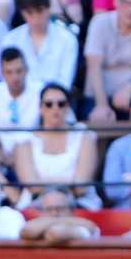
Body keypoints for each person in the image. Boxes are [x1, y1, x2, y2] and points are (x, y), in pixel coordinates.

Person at [14, 81, 100, 209]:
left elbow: (81, 187)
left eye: (61, 104)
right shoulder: (25, 139)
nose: (55, 109)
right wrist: (69, 182)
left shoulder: (84, 135)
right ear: (40, 108)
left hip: (78, 204)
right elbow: (33, 187)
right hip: (36, 205)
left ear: (68, 107)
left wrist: (44, 183)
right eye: (49, 104)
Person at [2, 0, 79, 92]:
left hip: (54, 100)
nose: (36, 18)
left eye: (40, 11)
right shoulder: (11, 39)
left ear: (48, 8)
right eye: (29, 13)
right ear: (22, 13)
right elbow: (7, 79)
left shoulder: (67, 39)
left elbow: (65, 82)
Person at [18, 186, 101, 242]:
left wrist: (49, 222)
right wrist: (59, 220)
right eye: (49, 209)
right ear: (41, 212)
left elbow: (55, 234)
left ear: (72, 210)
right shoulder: (33, 225)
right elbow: (27, 231)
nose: (54, 213)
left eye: (60, 209)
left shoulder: (85, 225)